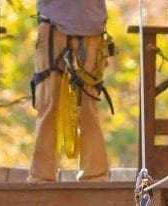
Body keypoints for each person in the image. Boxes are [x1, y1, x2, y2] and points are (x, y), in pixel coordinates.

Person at [27, 0, 111, 183]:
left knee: (88, 107)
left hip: (92, 27)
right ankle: (41, 176)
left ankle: (95, 176)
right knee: (49, 104)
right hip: (53, 25)